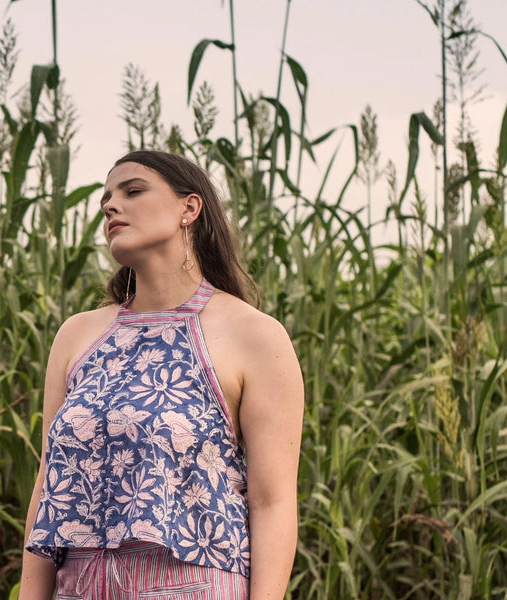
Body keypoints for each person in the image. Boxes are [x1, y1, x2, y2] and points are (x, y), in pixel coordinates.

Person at [18, 150, 304, 600]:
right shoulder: (77, 335)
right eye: (106, 198)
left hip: (195, 586)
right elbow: (46, 487)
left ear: (189, 208)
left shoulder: (255, 335)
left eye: (133, 191)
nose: (112, 205)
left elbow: (273, 503)